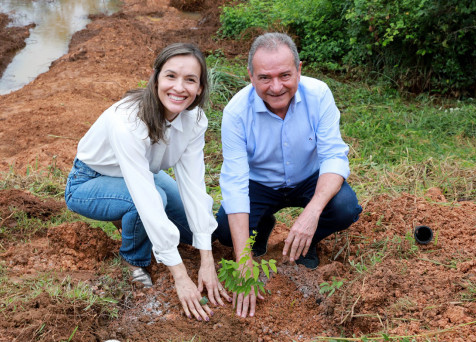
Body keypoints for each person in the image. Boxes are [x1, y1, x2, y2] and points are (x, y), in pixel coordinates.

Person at [65, 43, 230, 321]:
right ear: (155, 78)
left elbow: (194, 187)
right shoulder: (127, 121)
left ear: (200, 88)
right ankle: (133, 259)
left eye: (190, 80)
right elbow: (145, 196)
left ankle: (129, 222)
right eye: (171, 76)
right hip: (88, 181)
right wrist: (179, 275)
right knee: (152, 201)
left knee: (193, 233)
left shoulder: (195, 119)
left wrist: (207, 259)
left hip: (146, 174)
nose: (179, 87)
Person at [214, 33, 363, 317]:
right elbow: (234, 183)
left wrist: (312, 213)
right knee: (223, 229)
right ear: (250, 76)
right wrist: (242, 261)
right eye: (265, 78)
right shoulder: (236, 113)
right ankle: (261, 229)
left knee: (344, 207)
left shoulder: (318, 95)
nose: (276, 87)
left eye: (285, 75)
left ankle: (305, 244)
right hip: (259, 185)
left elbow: (333, 156)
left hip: (309, 180)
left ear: (299, 69)